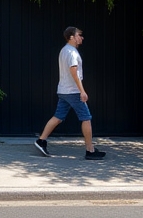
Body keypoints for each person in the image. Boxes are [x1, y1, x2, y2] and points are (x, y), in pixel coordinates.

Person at [34, 26, 106, 159]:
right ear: (71, 37)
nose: (81, 37)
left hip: (63, 90)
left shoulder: (64, 50)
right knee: (86, 118)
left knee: (58, 117)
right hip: (72, 92)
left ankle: (41, 140)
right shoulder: (72, 53)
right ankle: (90, 150)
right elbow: (74, 72)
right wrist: (82, 91)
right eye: (79, 35)